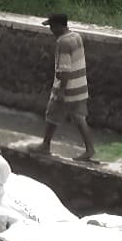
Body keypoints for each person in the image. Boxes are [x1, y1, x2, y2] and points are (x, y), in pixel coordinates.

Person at [27, 13, 96, 161]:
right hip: (80, 87)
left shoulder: (62, 43)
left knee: (52, 115)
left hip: (67, 90)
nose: (51, 30)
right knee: (79, 118)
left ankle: (45, 145)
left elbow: (64, 71)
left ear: (59, 26)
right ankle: (90, 150)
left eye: (52, 26)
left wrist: (60, 93)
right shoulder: (76, 37)